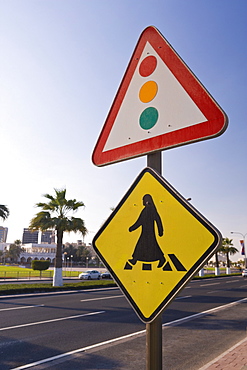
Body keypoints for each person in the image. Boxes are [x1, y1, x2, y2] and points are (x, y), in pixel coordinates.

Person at [128, 194, 165, 268]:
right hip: (145, 231)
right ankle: (135, 259)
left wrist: (160, 231)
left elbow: (158, 220)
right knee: (147, 245)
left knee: (148, 245)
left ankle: (161, 258)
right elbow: (140, 221)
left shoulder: (150, 209)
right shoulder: (146, 209)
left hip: (149, 232)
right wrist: (132, 228)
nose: (142, 201)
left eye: (143, 200)